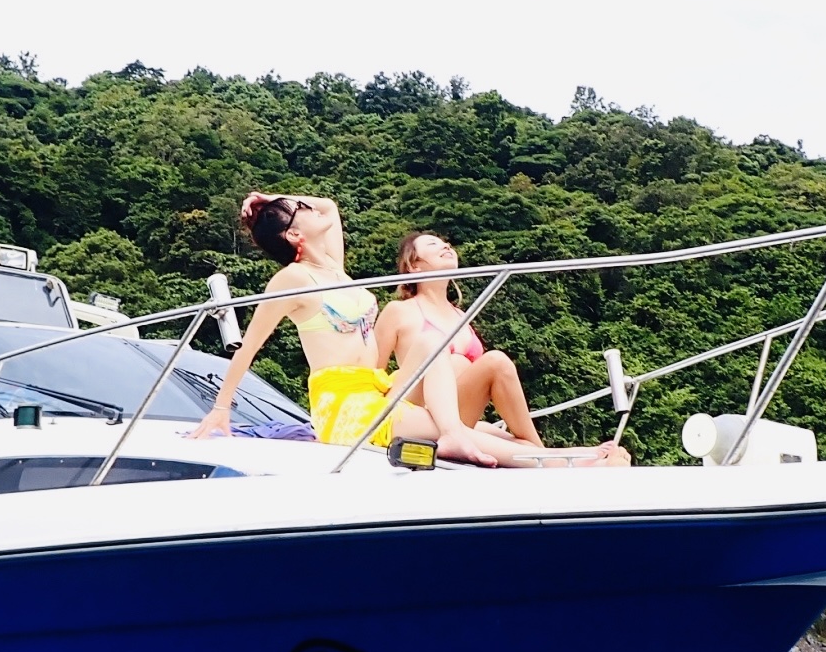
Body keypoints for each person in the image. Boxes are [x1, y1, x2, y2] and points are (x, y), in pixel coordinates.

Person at [188, 195, 625, 467]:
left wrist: (273, 198)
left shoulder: (336, 269)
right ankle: (568, 462)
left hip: (376, 388)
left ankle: (484, 440)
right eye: (300, 211)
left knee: (435, 349)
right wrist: (221, 409)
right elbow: (250, 347)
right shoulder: (292, 280)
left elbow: (330, 206)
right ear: (295, 233)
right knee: (467, 426)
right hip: (345, 406)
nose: (310, 207)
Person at [377, 231, 628, 465]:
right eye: (432, 244)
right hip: (417, 412)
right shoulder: (399, 311)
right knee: (495, 360)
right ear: (413, 264)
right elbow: (369, 373)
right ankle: (552, 460)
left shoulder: (461, 315)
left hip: (457, 412)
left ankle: (548, 454)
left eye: (446, 244)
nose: (445, 246)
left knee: (506, 414)